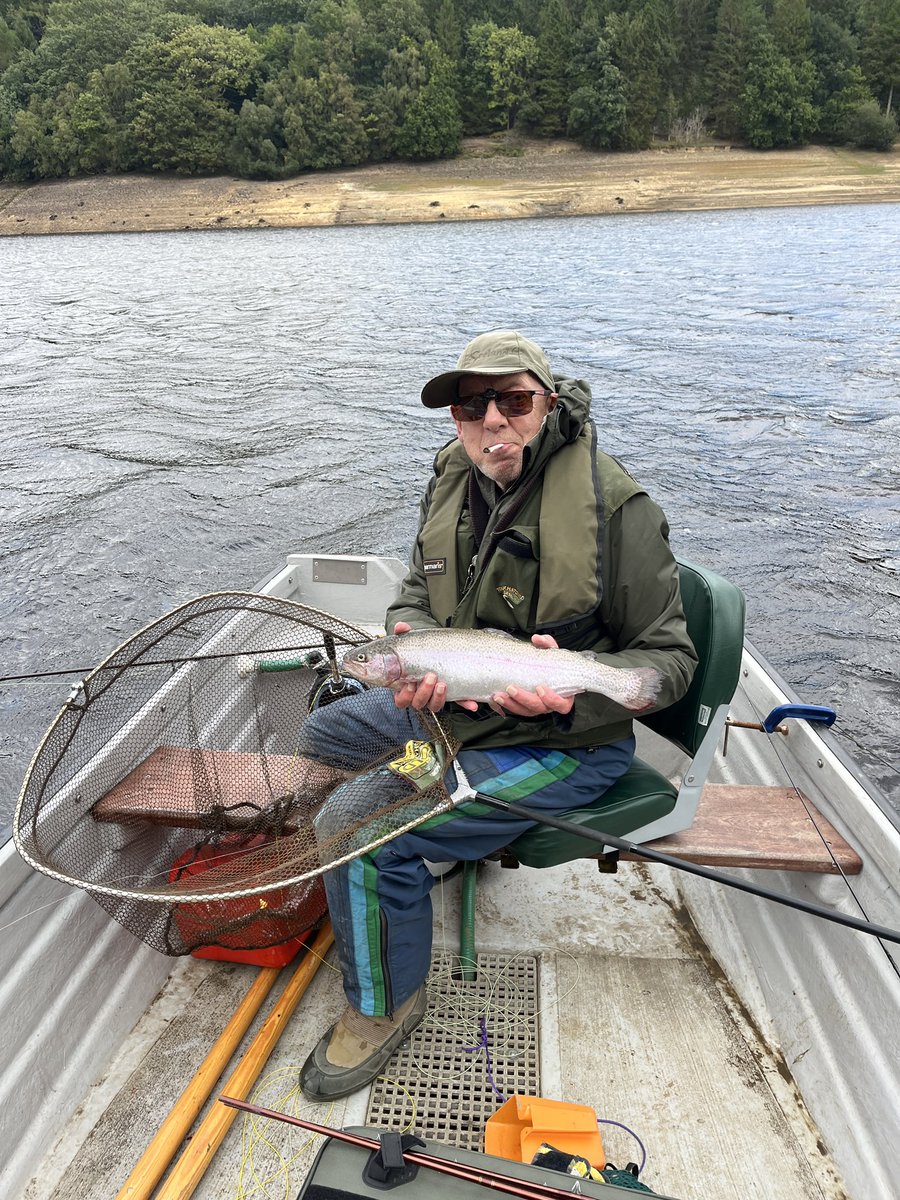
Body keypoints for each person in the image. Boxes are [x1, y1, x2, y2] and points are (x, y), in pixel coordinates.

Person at [299, 330, 698, 1101]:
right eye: (471, 405)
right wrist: (409, 643)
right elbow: (416, 593)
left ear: (546, 404)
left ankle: (383, 1005)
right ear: (454, 418)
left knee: (355, 826)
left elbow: (669, 666)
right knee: (326, 730)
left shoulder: (619, 508)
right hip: (462, 717)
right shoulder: (452, 476)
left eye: (513, 401)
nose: (493, 423)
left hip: (566, 741)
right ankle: (440, 820)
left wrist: (577, 684)